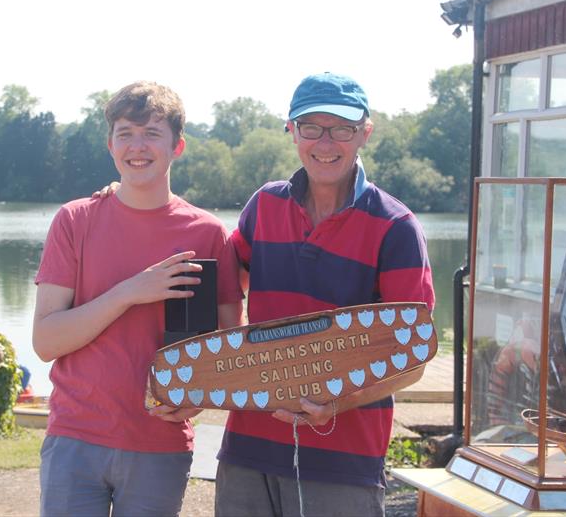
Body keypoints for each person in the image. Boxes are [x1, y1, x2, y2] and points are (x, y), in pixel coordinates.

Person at [215, 72, 435, 517]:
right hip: (247, 448)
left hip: (345, 460)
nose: (326, 142)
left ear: (365, 134)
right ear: (292, 131)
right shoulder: (264, 206)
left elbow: (414, 355)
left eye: (342, 129)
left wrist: (338, 401)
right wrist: (227, 368)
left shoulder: (396, 227)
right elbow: (222, 286)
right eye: (311, 127)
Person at [32, 81, 243, 517]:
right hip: (75, 438)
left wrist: (201, 396)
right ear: (110, 145)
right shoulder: (76, 220)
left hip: (159, 445)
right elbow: (46, 341)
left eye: (152, 132)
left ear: (177, 146)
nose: (137, 146)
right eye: (125, 133)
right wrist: (130, 292)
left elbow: (229, 348)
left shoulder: (206, 234)